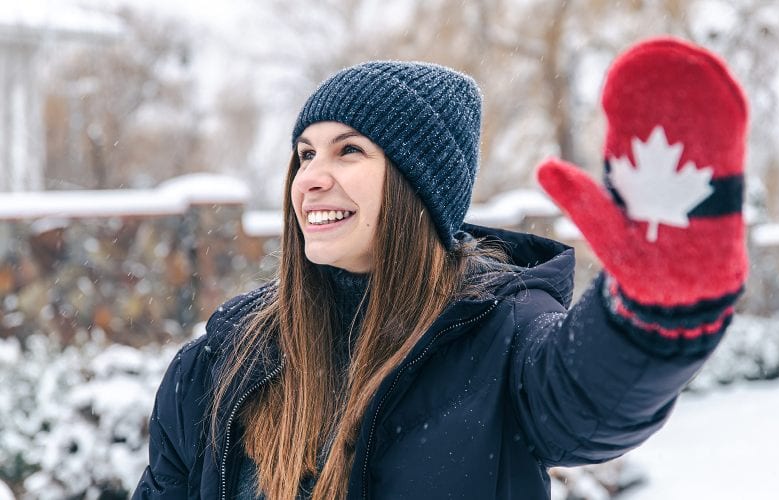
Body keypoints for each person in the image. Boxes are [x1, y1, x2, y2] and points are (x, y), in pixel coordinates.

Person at [133, 36, 748, 500]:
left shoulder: (503, 337)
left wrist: (651, 312)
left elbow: (593, 399)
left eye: (350, 150)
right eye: (305, 153)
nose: (311, 177)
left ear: (416, 188)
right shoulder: (222, 360)